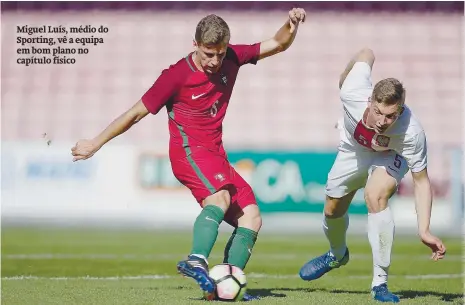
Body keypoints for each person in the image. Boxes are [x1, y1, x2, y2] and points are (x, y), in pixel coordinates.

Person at [71, 9, 306, 301]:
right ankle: (196, 259)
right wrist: (96, 143)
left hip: (216, 156)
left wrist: (291, 24)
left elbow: (277, 43)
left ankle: (223, 287)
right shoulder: (175, 76)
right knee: (219, 198)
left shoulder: (232, 57)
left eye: (220, 54)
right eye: (208, 54)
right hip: (188, 153)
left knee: (252, 217)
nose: (215, 61)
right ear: (194, 44)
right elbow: (134, 114)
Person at [298, 48, 447, 303]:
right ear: (370, 101)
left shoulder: (411, 133)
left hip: (389, 153)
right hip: (353, 147)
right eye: (378, 111)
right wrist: (345, 74)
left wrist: (424, 230)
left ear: (400, 111)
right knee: (332, 210)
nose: (382, 120)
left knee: (375, 195)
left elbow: (421, 181)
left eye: (391, 115)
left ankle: (380, 283)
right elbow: (367, 52)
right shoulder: (352, 92)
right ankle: (337, 254)